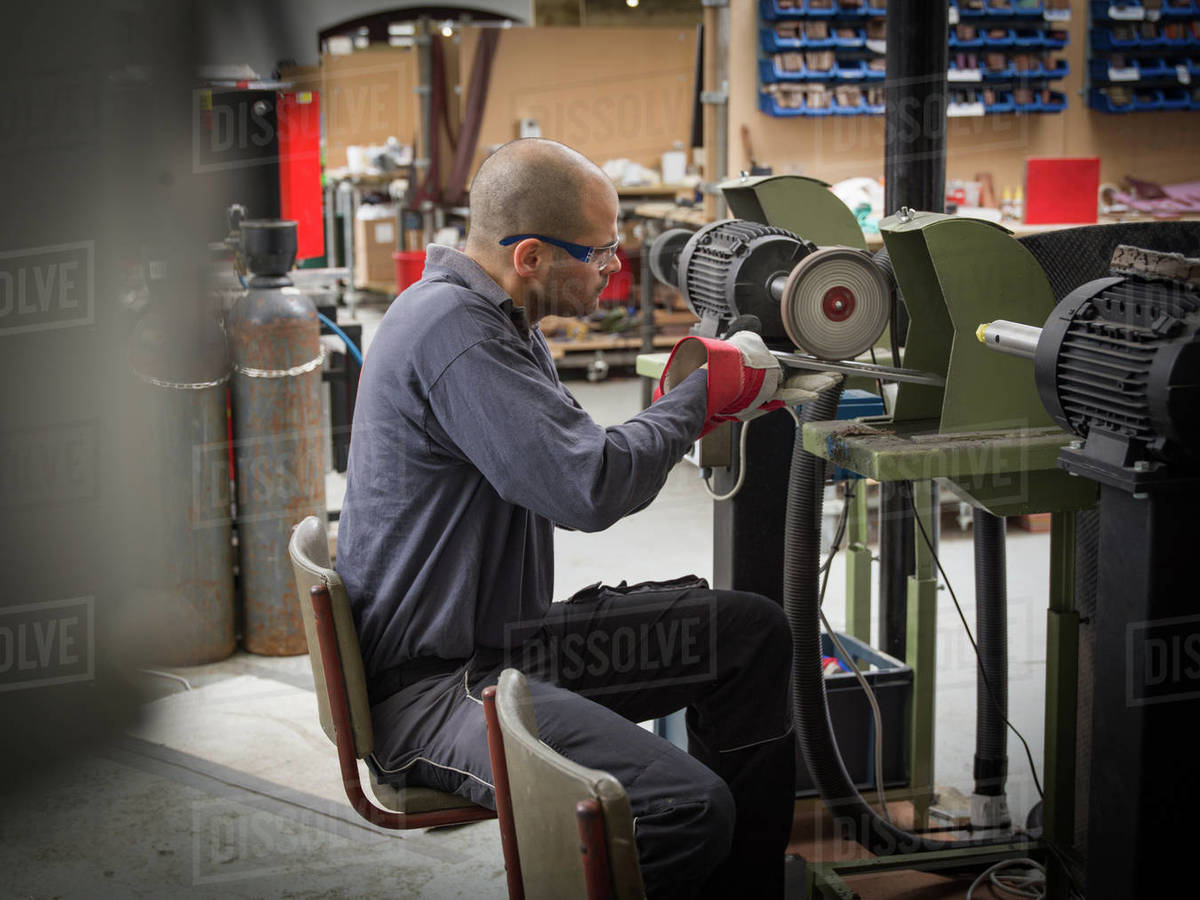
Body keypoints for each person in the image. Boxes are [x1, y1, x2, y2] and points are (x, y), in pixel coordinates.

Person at [337, 138, 795, 898]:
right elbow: (591, 485)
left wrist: (700, 391)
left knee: (749, 634)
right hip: (440, 688)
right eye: (600, 251)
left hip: (502, 646)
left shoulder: (494, 320)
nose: (615, 265)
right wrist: (708, 388)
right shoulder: (461, 337)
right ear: (530, 257)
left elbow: (581, 450)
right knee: (683, 809)